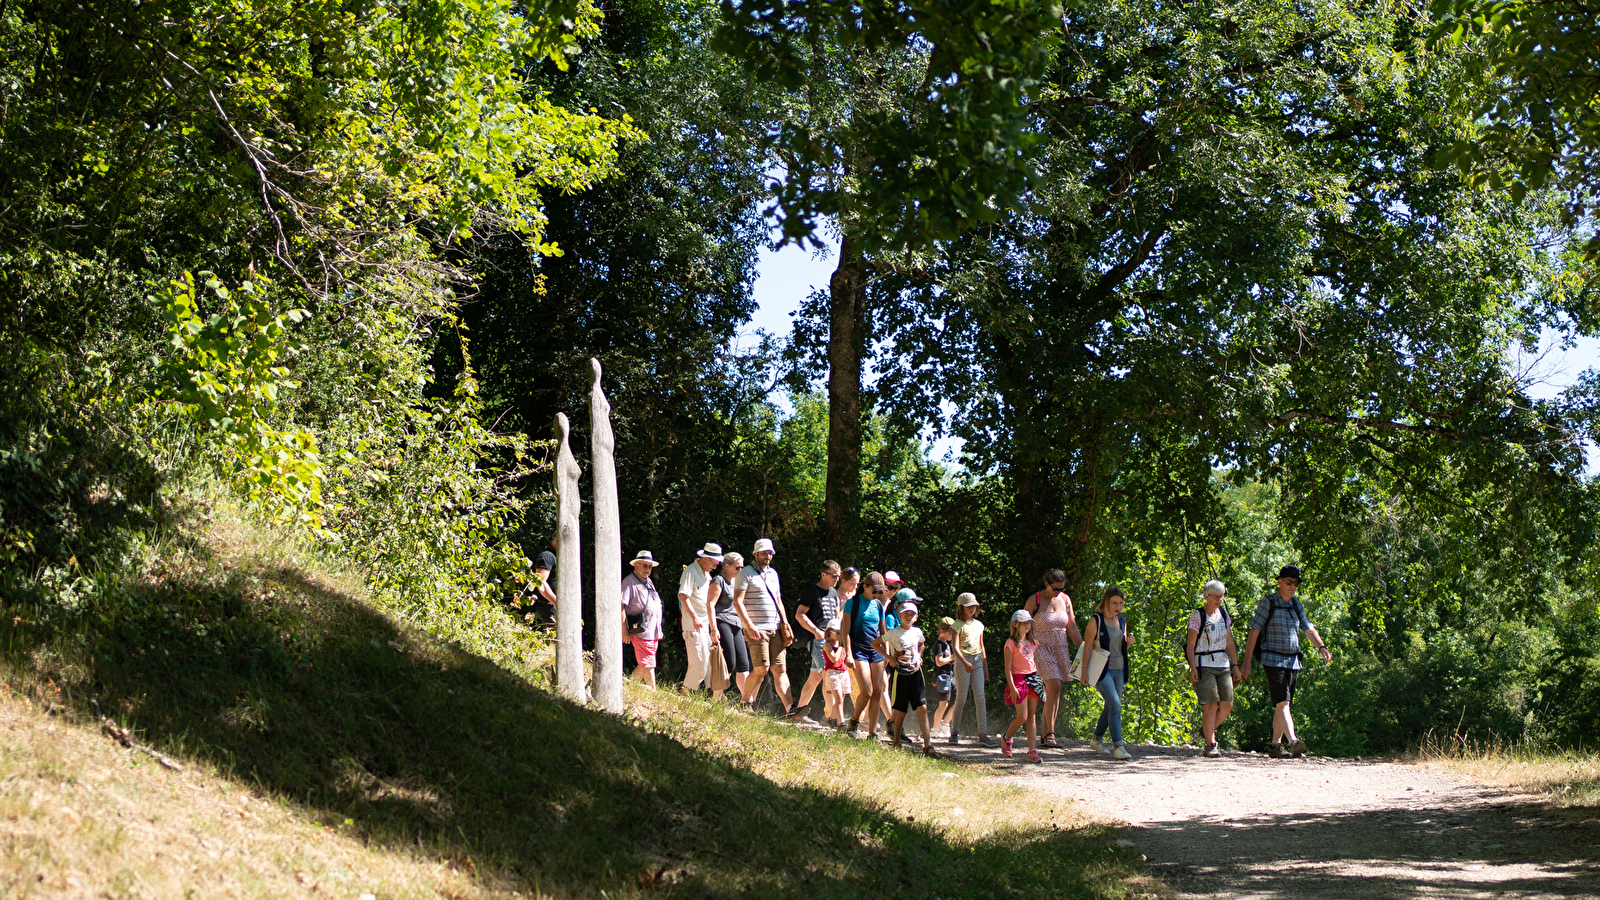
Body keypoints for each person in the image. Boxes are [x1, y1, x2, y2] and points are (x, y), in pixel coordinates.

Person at [1239, 566, 1331, 759]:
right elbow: (1254, 631)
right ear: (1279, 581)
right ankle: (1293, 741)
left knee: (1283, 705)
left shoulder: (1296, 605)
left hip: (1293, 661)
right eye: (1289, 582)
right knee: (1284, 702)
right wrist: (1247, 662)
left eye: (1295, 583)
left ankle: (1275, 745)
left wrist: (1321, 647)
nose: (1292, 586)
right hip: (1272, 659)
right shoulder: (1268, 602)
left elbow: (1308, 628)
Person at [733, 538, 794, 714]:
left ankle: (790, 708)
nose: (767, 556)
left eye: (770, 553)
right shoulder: (745, 573)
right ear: (755, 554)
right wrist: (749, 625)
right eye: (764, 553)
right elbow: (738, 602)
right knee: (761, 669)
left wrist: (785, 623)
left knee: (780, 668)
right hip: (757, 629)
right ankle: (745, 702)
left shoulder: (773, 574)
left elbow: (778, 600)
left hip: (775, 628)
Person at [1023, 569, 1082, 750]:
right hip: (1040, 649)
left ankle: (1047, 733)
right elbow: (1022, 625)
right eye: (1055, 589)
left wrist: (1083, 647)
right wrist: (1021, 650)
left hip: (1060, 649)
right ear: (1046, 584)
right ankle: (1049, 733)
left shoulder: (1065, 600)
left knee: (1056, 689)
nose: (1059, 592)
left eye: (1062, 588)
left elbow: (1071, 626)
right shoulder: (1035, 600)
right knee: (1054, 684)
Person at [876, 597, 939, 756]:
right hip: (901, 674)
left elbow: (922, 643)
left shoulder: (917, 632)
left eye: (912, 615)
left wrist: (919, 655)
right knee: (900, 709)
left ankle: (928, 745)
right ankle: (896, 742)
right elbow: (875, 643)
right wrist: (888, 657)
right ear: (900, 616)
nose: (909, 617)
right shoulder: (894, 632)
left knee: (922, 708)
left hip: (916, 673)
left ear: (916, 617)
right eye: (906, 614)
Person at [1080, 586, 1136, 760]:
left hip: (1119, 669)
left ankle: (1096, 739)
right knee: (1114, 703)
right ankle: (1118, 746)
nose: (1117, 606)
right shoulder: (1095, 620)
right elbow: (1088, 646)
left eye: (1120, 603)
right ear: (1106, 602)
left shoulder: (1122, 621)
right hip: (1101, 670)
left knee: (1112, 705)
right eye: (1114, 603)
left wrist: (1129, 643)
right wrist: (1083, 671)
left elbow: (1121, 647)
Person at [1187, 579, 1239, 757]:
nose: (1219, 599)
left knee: (1227, 705)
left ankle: (1207, 730)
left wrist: (1236, 665)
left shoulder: (1224, 615)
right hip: (1204, 663)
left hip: (1222, 663)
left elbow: (1229, 641)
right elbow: (1191, 643)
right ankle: (1211, 743)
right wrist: (1192, 666)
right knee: (1210, 705)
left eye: (1222, 596)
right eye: (1216, 596)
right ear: (1206, 596)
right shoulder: (1197, 616)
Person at [791, 560, 845, 724]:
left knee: (815, 677)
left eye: (839, 576)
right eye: (834, 576)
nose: (837, 579)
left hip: (832, 640)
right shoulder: (812, 592)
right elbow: (800, 614)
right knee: (829, 675)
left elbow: (837, 616)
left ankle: (798, 713)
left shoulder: (834, 593)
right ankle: (832, 718)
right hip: (820, 641)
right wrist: (816, 631)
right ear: (824, 574)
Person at [841, 571, 890, 738]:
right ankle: (854, 722)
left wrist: (887, 654)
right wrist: (848, 653)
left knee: (878, 691)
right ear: (865, 586)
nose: (877, 594)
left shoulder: (878, 606)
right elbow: (845, 631)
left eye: (879, 591)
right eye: (874, 590)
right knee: (867, 691)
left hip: (876, 651)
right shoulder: (852, 603)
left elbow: (883, 633)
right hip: (857, 649)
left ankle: (872, 732)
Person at [950, 593, 995, 747]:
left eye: (974, 606)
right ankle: (954, 732)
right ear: (962, 607)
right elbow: (955, 648)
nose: (973, 608)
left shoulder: (979, 625)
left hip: (977, 661)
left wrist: (985, 667)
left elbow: (982, 647)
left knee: (980, 697)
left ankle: (983, 734)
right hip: (963, 660)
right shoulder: (957, 625)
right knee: (961, 697)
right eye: (969, 606)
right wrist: (964, 663)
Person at [678, 543, 723, 694]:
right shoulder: (690, 571)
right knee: (699, 663)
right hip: (693, 626)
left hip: (704, 626)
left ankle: (717, 698)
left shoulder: (706, 575)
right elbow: (683, 596)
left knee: (709, 664)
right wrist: (695, 618)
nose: (715, 567)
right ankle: (684, 696)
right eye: (714, 563)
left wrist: (712, 628)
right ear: (704, 558)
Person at [1002, 609, 1044, 763]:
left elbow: (1033, 662)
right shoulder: (1011, 643)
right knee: (1022, 717)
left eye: (1029, 623)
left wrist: (1040, 680)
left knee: (1032, 716)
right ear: (1015, 624)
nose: (1027, 625)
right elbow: (1007, 667)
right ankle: (1007, 738)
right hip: (1018, 681)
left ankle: (1032, 751)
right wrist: (1012, 687)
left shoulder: (1032, 642)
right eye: (1024, 623)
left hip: (1033, 679)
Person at [709, 551, 749, 701]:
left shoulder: (737, 583)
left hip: (736, 623)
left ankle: (747, 701)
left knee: (744, 663)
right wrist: (713, 629)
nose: (740, 571)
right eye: (737, 568)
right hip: (722, 621)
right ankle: (716, 698)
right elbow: (710, 605)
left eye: (742, 568)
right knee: (729, 662)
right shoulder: (718, 581)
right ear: (726, 566)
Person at [621, 550, 664, 687]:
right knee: (649, 664)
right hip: (641, 631)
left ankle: (630, 688)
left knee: (645, 663)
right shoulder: (629, 582)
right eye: (644, 565)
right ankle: (654, 695)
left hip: (653, 632)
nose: (647, 569)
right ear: (636, 565)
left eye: (650, 566)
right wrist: (624, 631)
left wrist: (659, 629)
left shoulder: (648, 581)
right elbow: (620, 607)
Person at [821, 619, 851, 728]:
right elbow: (834, 658)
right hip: (832, 673)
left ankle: (832, 718)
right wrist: (841, 647)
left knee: (841, 698)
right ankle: (841, 722)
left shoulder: (841, 644)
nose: (840, 635)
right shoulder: (827, 645)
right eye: (838, 633)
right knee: (838, 698)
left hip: (843, 672)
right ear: (829, 632)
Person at [931, 618, 957, 737]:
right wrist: (952, 658)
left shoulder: (947, 644)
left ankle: (945, 723)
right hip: (942, 678)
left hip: (950, 677)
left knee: (957, 701)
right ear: (942, 631)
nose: (952, 635)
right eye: (950, 633)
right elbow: (939, 662)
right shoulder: (939, 645)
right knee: (943, 704)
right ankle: (935, 729)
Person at [529, 535, 558, 621]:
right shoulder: (547, 556)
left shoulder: (559, 556)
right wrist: (555, 602)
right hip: (550, 607)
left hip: (556, 607)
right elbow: (540, 582)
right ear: (555, 539)